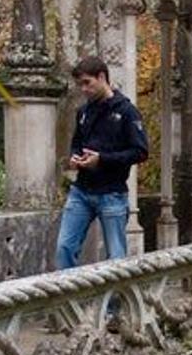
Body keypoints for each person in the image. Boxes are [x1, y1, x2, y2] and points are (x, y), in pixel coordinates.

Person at [56, 55, 149, 269]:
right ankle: (72, 299)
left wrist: (102, 160)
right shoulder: (84, 112)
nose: (84, 89)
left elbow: (140, 152)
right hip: (81, 191)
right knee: (64, 248)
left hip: (112, 194)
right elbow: (77, 143)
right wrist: (75, 157)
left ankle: (114, 303)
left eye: (87, 83)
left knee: (116, 259)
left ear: (102, 77)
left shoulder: (126, 111)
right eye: (80, 85)